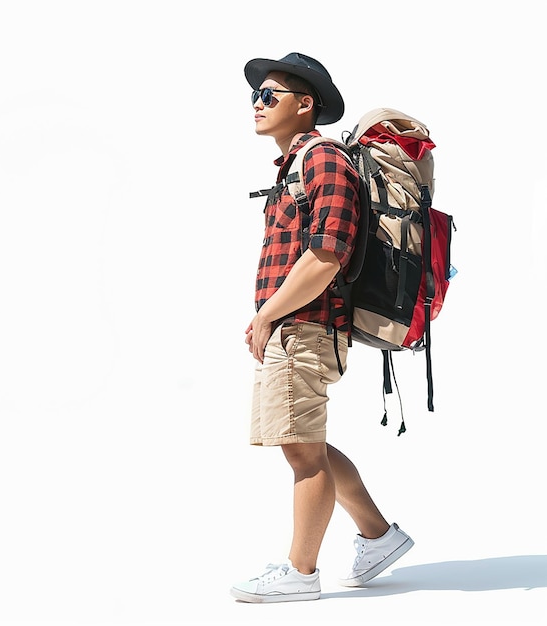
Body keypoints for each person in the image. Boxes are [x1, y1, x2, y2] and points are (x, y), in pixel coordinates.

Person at [230, 52, 414, 603]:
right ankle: (380, 537)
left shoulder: (324, 159)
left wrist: (267, 315)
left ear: (304, 104)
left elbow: (327, 254)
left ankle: (300, 574)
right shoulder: (296, 165)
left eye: (270, 95)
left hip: (305, 326)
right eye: (255, 96)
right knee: (306, 444)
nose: (258, 105)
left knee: (302, 452)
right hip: (297, 326)